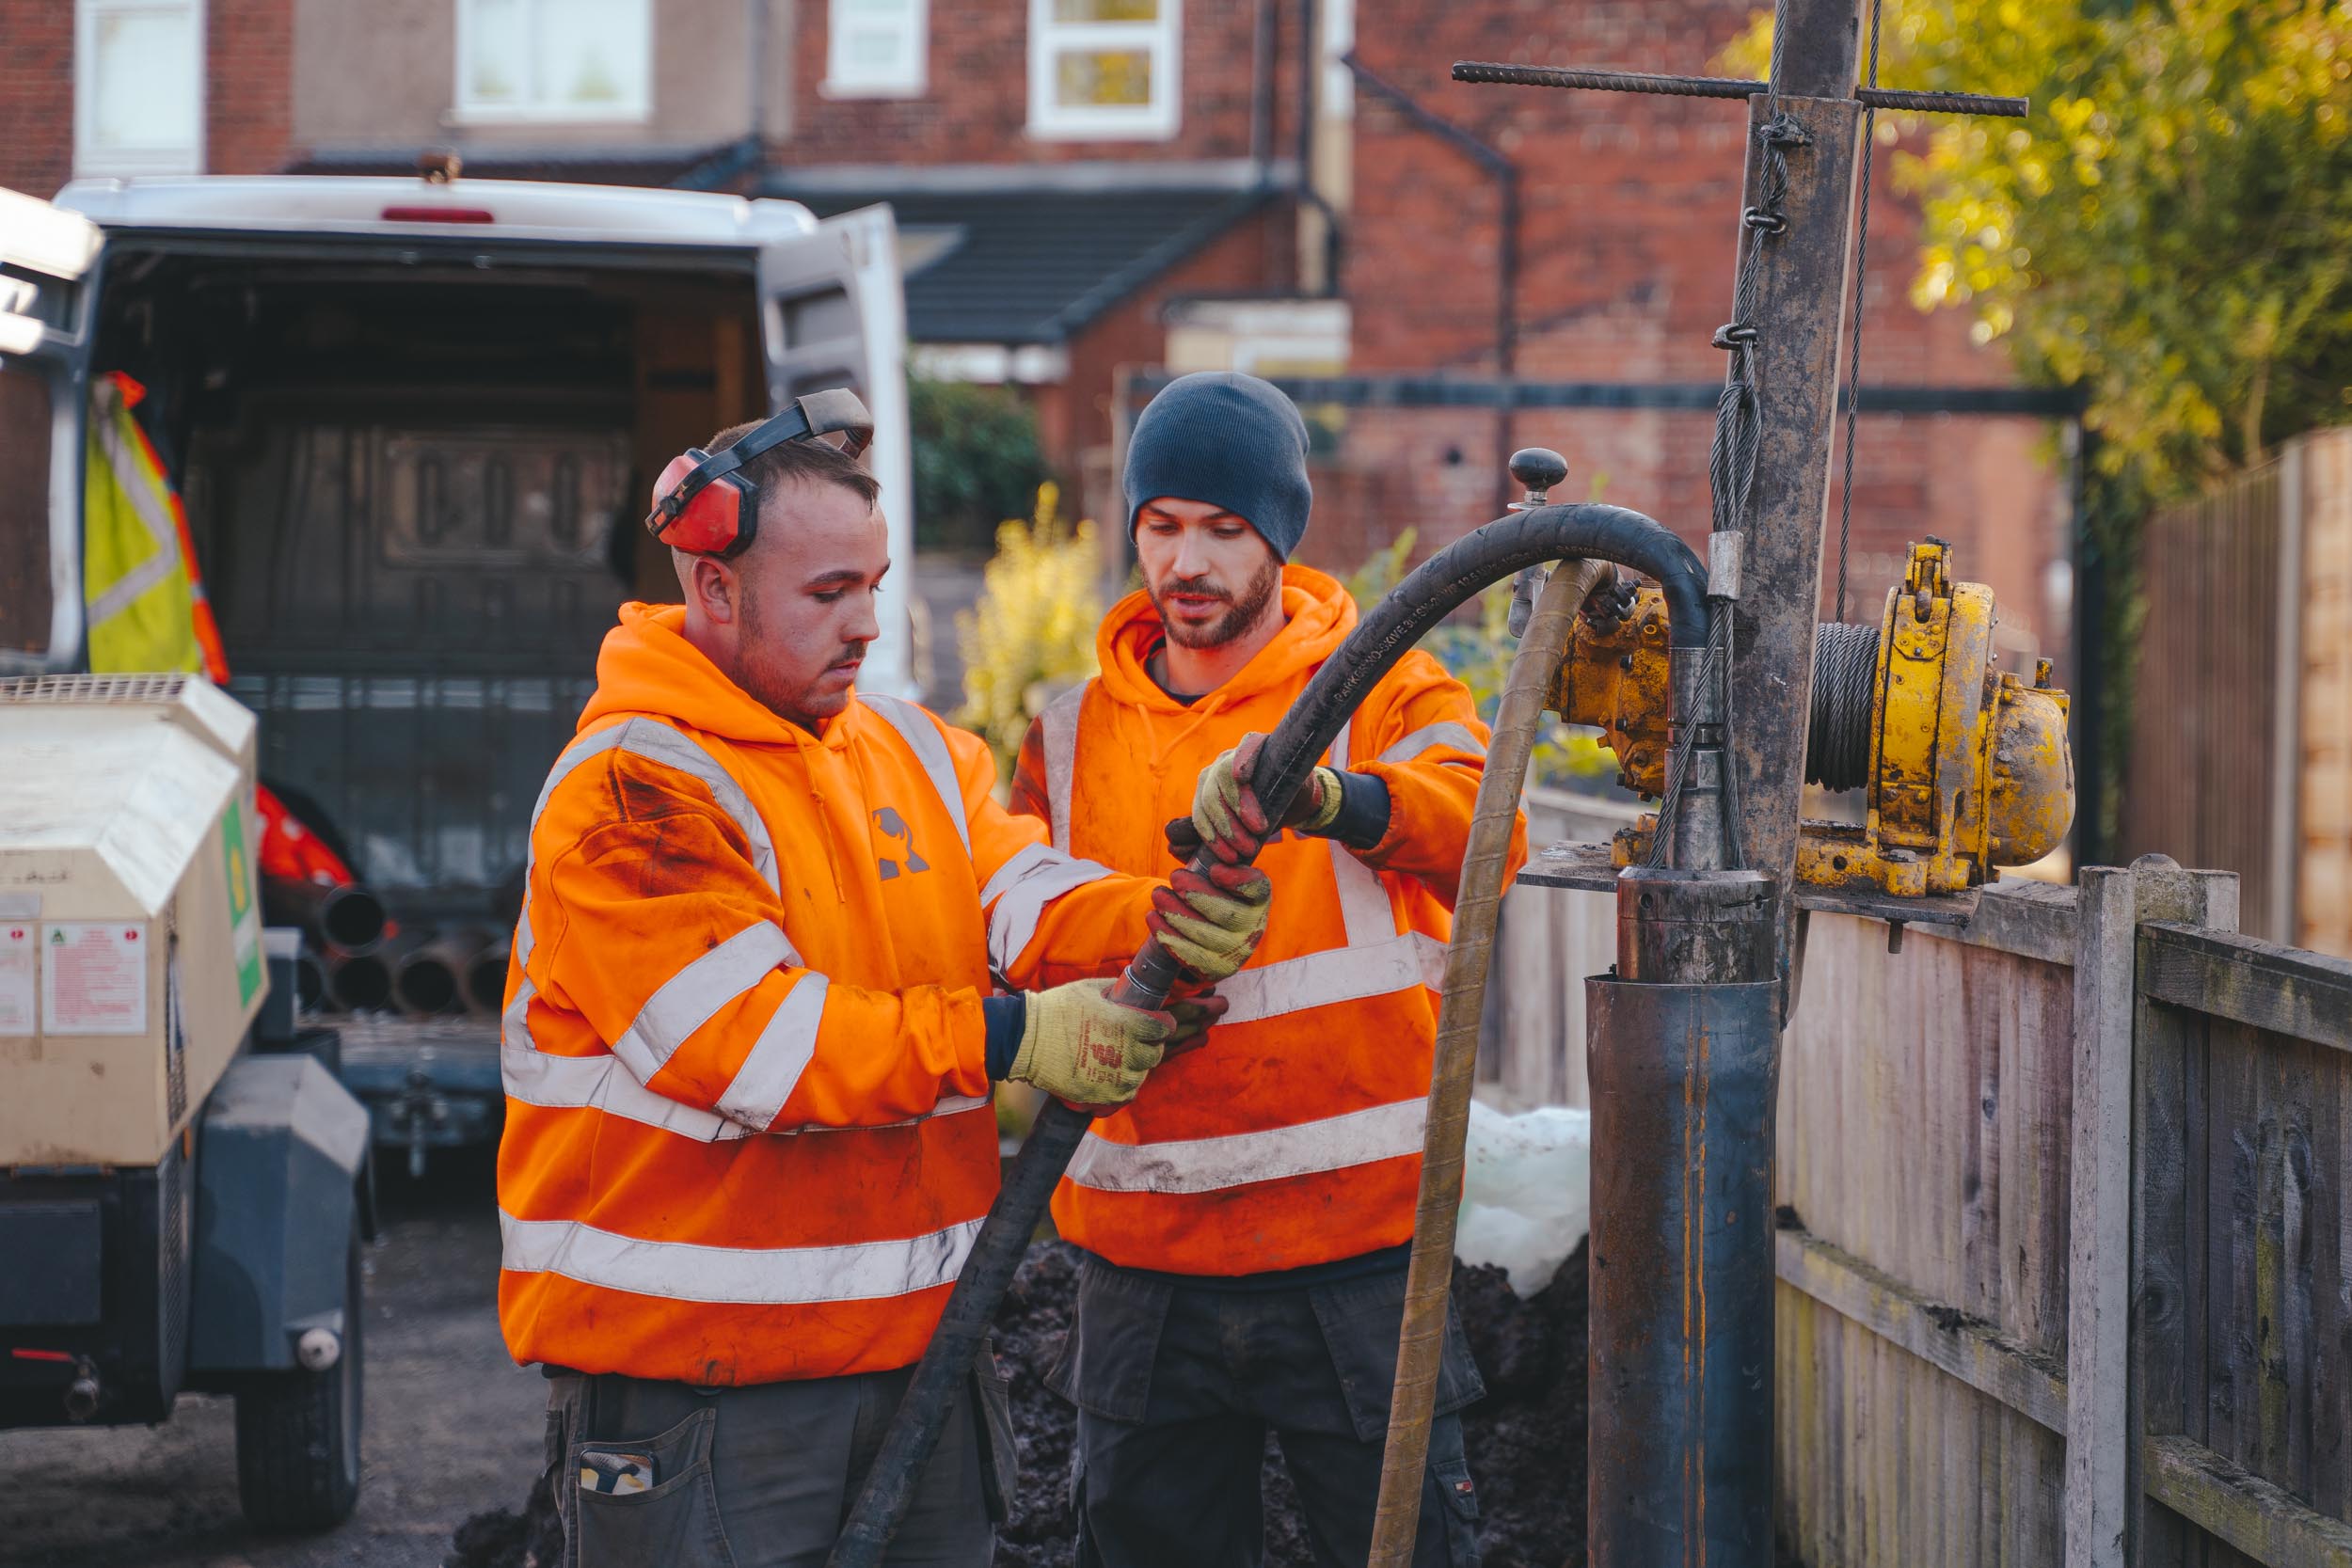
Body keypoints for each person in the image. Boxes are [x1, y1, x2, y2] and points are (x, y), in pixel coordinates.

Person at [496, 399, 1272, 1568]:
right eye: (826, 594)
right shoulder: (634, 791)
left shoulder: (907, 748)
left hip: (919, 1366)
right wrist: (1016, 1034)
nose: (866, 623)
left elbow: (1028, 895)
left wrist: (1161, 919)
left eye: (874, 582)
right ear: (712, 589)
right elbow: (755, 1044)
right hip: (705, 1392)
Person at [1009, 372, 1526, 1567]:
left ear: (1279, 538)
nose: (1185, 560)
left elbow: (1484, 825)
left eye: (1223, 530)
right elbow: (1016, 923)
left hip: (1351, 1252)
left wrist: (1335, 796)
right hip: (1141, 1263)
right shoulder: (1065, 732)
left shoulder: (1378, 686)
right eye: (1162, 524)